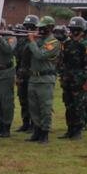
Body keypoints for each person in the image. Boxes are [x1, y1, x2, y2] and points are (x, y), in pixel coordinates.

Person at [25, 16, 60, 144]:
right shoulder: (39, 40)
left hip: (45, 79)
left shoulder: (54, 43)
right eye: (39, 27)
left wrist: (32, 41)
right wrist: (31, 40)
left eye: (43, 27)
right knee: (33, 107)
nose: (40, 30)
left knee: (45, 108)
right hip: (34, 78)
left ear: (50, 28)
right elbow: (28, 52)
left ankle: (45, 133)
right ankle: (37, 131)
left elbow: (40, 55)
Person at [58, 16, 87, 139]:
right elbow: (62, 61)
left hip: (80, 79)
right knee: (69, 105)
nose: (73, 31)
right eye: (72, 29)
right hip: (68, 78)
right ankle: (69, 129)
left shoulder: (86, 44)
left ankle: (77, 130)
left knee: (79, 105)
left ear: (82, 30)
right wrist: (62, 75)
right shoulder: (66, 43)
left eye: (76, 29)